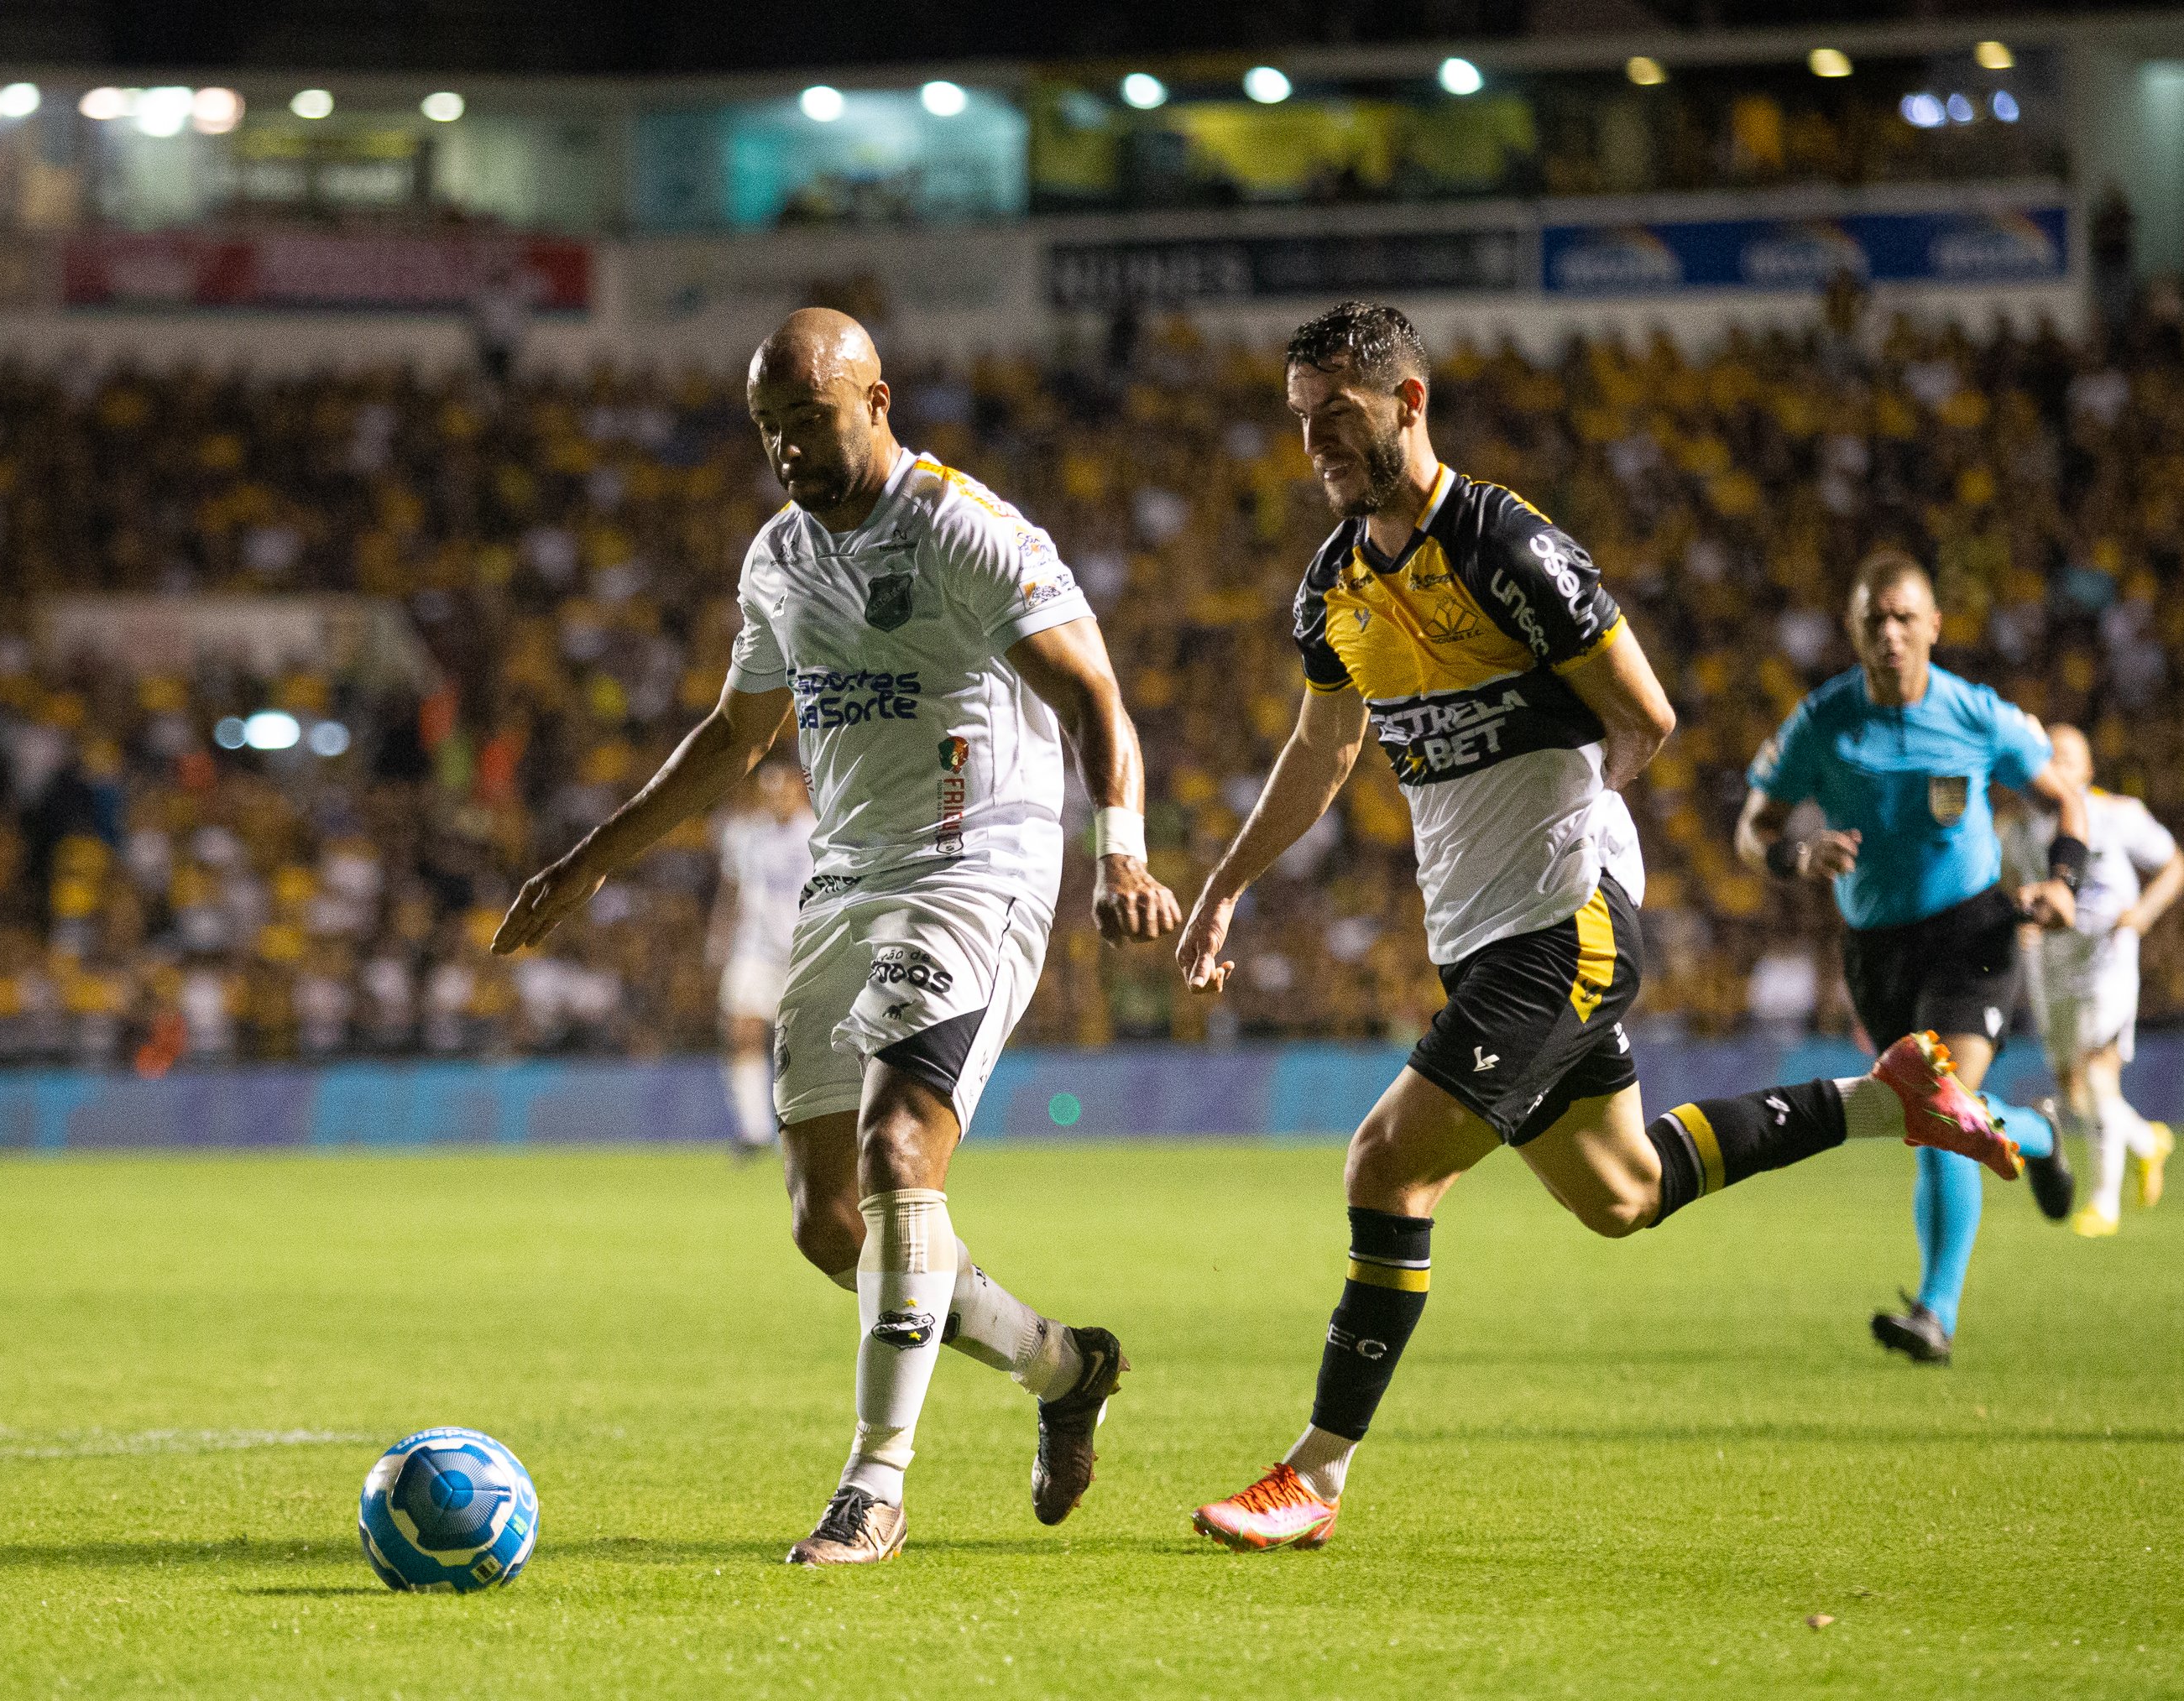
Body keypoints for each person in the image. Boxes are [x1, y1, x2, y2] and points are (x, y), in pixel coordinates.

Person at [1173, 300, 2032, 1555]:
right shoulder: (1333, 583)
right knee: (1622, 1192)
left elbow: (1647, 714)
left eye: (1339, 420)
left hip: (1559, 926)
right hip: (1481, 926)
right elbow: (1322, 747)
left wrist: (1579, 828)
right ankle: (1885, 1093)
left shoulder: (1507, 543)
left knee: (1386, 1164)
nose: (1317, 447)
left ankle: (1315, 1472)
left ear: (1410, 402)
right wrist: (1226, 881)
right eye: (1303, 425)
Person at [494, 308, 1181, 1566]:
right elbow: (735, 735)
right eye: (768, 428)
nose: (787, 449)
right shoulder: (778, 557)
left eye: (807, 419)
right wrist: (586, 864)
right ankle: (1065, 1366)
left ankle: (875, 1486)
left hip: (978, 867)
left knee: (900, 1146)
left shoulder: (962, 528)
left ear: (876, 397)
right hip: (847, 874)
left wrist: (1120, 849)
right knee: (831, 1224)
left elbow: (1093, 689)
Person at [1737, 551, 2087, 1364]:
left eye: (1903, 617)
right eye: (1873, 620)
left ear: (1934, 625)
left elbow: (2062, 797)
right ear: (1853, 630)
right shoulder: (1822, 721)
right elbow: (1753, 825)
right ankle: (2036, 1132)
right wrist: (1796, 855)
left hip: (1971, 933)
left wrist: (2063, 881)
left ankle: (1934, 1309)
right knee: (1927, 1110)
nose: (1889, 633)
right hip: (1874, 950)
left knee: (1937, 1104)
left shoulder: (1975, 714)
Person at [2001, 724, 2180, 1235]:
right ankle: (2146, 1140)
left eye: (2067, 759)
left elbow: (2173, 863)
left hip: (2106, 956)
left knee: (2099, 1070)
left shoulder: (2116, 814)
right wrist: (2026, 922)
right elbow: (2016, 881)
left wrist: (2142, 913)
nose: (2055, 767)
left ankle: (2105, 1203)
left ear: (2088, 770)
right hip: (2051, 962)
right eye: (2047, 758)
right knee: (2073, 1089)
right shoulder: (2019, 828)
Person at [709, 760, 816, 1156]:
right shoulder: (745, 837)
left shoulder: (818, 833)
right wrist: (717, 942)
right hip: (753, 948)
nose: (777, 799)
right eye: (769, 792)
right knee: (743, 1030)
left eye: (784, 790)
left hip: (805, 948)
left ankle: (809, 1123)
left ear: (799, 790)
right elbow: (731, 890)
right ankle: (753, 1131)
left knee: (810, 1042)